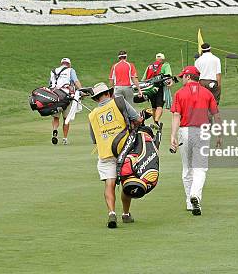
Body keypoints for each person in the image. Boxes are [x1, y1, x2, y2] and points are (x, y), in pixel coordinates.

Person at [88, 82, 143, 228]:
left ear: (96, 98)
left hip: (105, 153)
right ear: (108, 93)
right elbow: (137, 119)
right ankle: (126, 214)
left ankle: (111, 213)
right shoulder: (119, 101)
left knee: (109, 184)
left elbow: (94, 139)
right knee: (127, 181)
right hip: (125, 150)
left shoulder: (92, 115)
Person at [170, 66, 221, 216]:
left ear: (188, 77)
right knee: (200, 169)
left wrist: (172, 136)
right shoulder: (207, 93)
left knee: (187, 168)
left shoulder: (179, 93)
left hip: (185, 132)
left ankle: (189, 201)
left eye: (183, 77)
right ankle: (195, 196)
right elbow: (216, 115)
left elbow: (176, 116)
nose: (182, 80)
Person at [48, 58, 82, 145]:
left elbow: (50, 84)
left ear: (61, 64)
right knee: (66, 119)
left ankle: (55, 131)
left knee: (56, 117)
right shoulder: (70, 70)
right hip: (67, 97)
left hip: (55, 97)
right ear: (69, 64)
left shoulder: (53, 71)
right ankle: (65, 138)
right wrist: (82, 90)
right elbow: (76, 81)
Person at [143, 53, 174, 124]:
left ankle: (155, 122)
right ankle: (156, 120)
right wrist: (171, 82)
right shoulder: (165, 65)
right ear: (163, 59)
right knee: (159, 106)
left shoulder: (149, 66)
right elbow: (168, 75)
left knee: (154, 106)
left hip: (150, 88)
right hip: (160, 88)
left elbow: (144, 78)